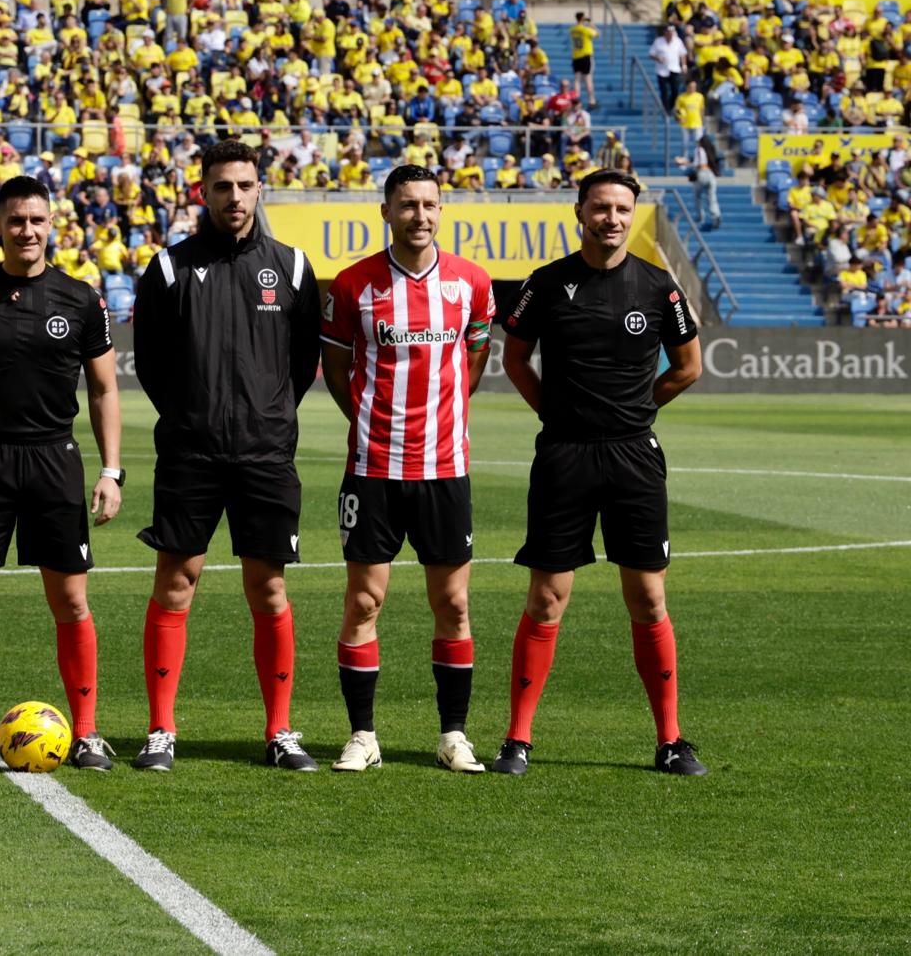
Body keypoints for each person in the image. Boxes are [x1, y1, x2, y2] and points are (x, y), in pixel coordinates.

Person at [493, 169, 707, 777]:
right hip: (564, 455)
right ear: (579, 212)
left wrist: (640, 409)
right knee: (546, 597)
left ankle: (670, 740)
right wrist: (553, 412)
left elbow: (688, 365)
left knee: (647, 596)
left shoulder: (658, 287)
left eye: (621, 209)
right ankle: (517, 738)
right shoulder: (546, 283)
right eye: (600, 207)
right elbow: (514, 356)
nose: (611, 218)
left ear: (631, 216)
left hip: (634, 455)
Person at [0, 175, 125, 772]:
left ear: (50, 225)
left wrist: (111, 470)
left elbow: (106, 388)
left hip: (55, 459)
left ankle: (85, 732)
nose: (26, 231)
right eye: (16, 221)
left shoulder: (80, 299)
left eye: (36, 221)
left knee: (71, 601)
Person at [130, 139, 322, 772]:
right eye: (221, 186)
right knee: (176, 583)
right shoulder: (168, 268)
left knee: (267, 588)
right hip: (190, 453)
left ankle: (280, 730)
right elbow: (152, 364)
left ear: (259, 189)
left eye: (244, 186)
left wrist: (268, 414)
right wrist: (193, 414)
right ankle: (161, 729)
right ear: (202, 191)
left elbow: (301, 364)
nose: (233, 197)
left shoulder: (292, 268)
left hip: (267, 455)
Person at [319, 164, 497, 774]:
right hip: (372, 469)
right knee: (364, 602)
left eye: (429, 204)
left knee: (453, 603)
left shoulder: (471, 282)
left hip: (446, 469)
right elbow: (338, 374)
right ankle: (363, 735)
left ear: (441, 210)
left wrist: (445, 414)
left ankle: (453, 735)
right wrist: (372, 420)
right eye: (407, 205)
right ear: (386, 212)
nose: (419, 215)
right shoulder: (351, 286)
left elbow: (476, 354)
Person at [676, 134, 721, 231]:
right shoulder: (710, 151)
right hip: (710, 175)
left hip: (702, 174)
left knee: (697, 197)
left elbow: (697, 164)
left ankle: (700, 216)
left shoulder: (699, 150)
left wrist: (684, 163)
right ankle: (716, 216)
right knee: (712, 198)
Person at [570, 11, 600, 109]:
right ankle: (591, 100)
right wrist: (591, 24)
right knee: (588, 78)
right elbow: (598, 33)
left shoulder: (573, 29)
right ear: (582, 19)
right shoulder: (586, 30)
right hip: (585, 55)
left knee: (577, 79)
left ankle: (576, 99)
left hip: (576, 56)